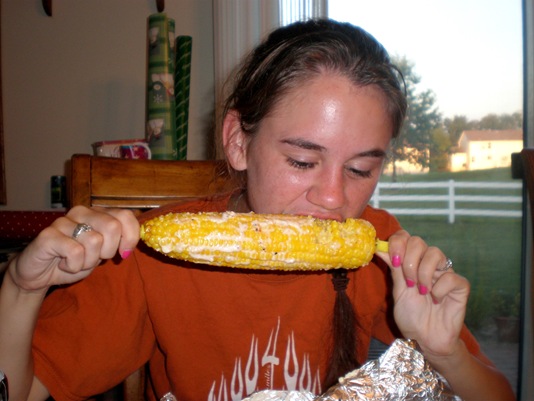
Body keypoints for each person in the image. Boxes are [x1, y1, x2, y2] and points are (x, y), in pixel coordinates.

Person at [0, 19, 515, 401]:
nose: (333, 198)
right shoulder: (148, 254)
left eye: (360, 169)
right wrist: (20, 290)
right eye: (302, 161)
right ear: (238, 142)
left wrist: (444, 351)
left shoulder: (380, 252)